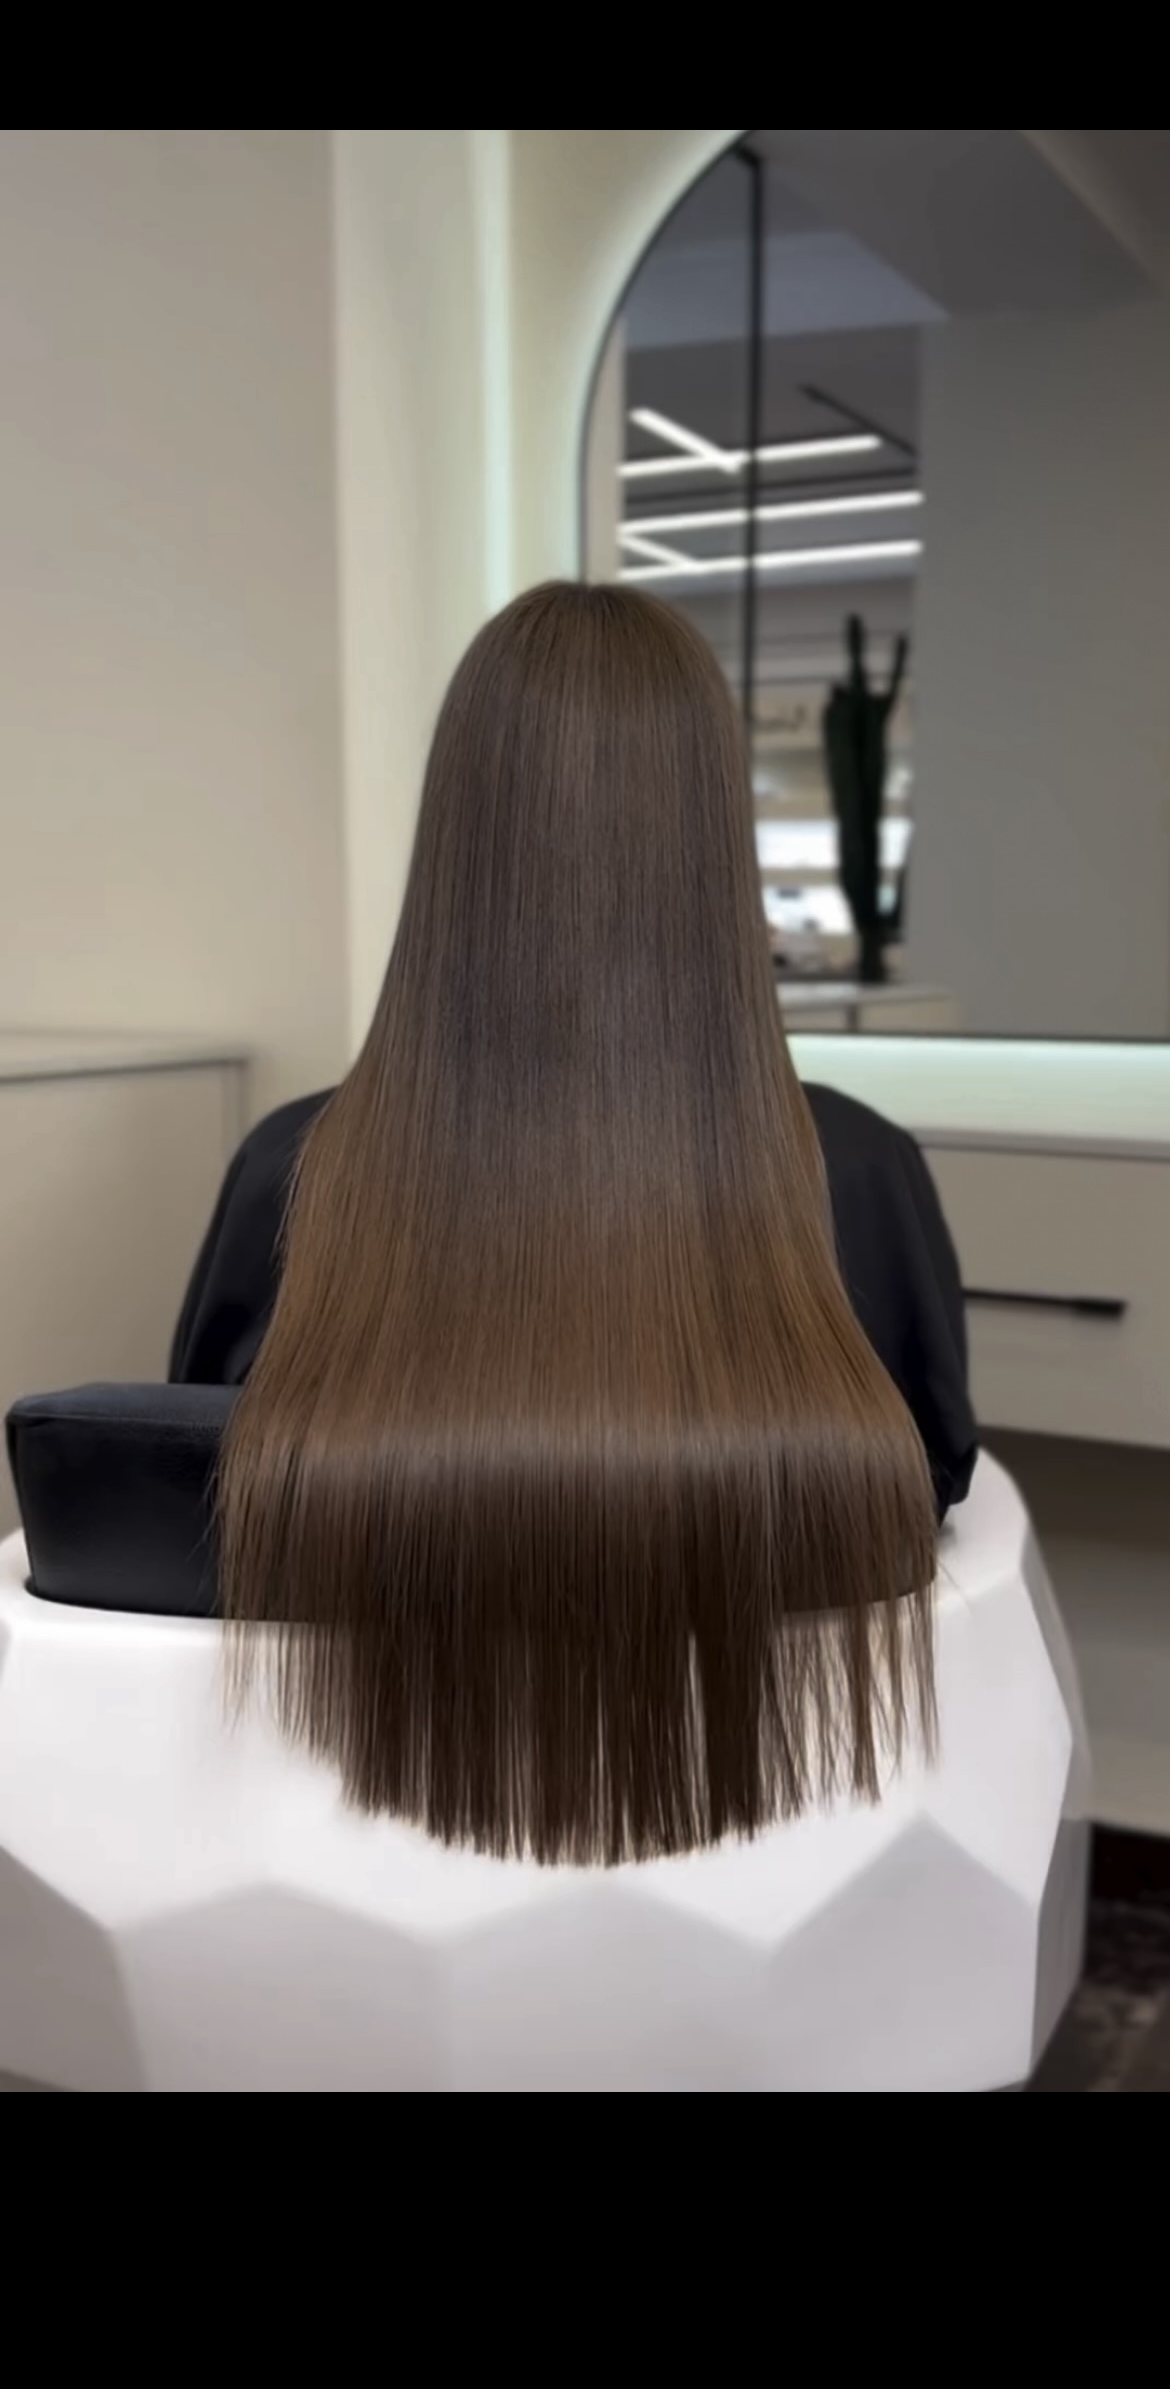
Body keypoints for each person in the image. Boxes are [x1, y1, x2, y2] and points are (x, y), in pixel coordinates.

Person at [177, 584, 976, 1868]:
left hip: (348, 1839)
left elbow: (201, 1471)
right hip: (780, 1841)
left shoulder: (293, 1167)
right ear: (716, 844)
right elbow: (930, 1480)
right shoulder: (864, 1169)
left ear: (457, 836)